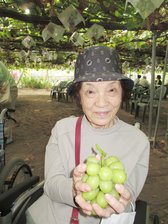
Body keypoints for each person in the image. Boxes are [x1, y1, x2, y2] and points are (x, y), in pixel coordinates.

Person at [27, 46, 150, 224]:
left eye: (111, 90)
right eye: (91, 91)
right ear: (79, 95)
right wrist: (74, 190)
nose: (102, 102)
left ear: (122, 92)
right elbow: (51, 185)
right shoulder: (62, 130)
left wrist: (123, 204)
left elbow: (130, 195)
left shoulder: (139, 142)